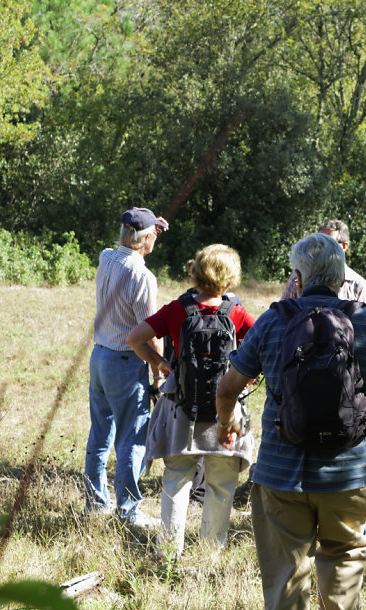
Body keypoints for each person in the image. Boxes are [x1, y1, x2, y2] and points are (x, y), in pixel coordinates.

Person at [214, 233, 366, 610]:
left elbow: (227, 388)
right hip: (349, 476)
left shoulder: (273, 321)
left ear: (297, 278)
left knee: (286, 577)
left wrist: (228, 425)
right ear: (343, 279)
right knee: (344, 569)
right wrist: (362, 400)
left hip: (281, 475)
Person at [127, 244, 256, 556]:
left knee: (175, 484)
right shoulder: (236, 313)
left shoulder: (176, 309)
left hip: (182, 412)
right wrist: (246, 375)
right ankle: (210, 553)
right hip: (225, 414)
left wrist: (159, 363)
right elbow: (259, 347)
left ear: (196, 270)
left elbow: (135, 337)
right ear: (231, 276)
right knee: (221, 487)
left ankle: (169, 552)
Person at [84, 207, 168, 529]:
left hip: (100, 356)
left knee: (101, 433)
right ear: (145, 238)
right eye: (152, 236)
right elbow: (150, 332)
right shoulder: (143, 277)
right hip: (125, 362)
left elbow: (134, 237)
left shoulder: (107, 257)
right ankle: (129, 512)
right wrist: (159, 370)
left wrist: (151, 227)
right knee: (132, 440)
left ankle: (96, 502)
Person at [280, 219, 366, 304]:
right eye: (318, 243)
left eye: (330, 242)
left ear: (344, 246)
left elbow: (363, 318)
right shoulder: (299, 275)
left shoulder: (358, 284)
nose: (321, 248)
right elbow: (283, 311)